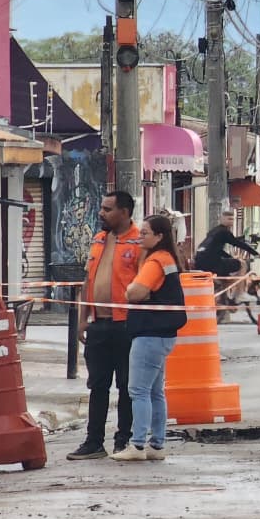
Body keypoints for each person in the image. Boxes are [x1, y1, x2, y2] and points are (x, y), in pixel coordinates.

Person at [68, 191, 143, 460]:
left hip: (126, 326)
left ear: (124, 212)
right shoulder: (99, 239)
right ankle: (94, 441)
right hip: (98, 325)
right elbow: (89, 281)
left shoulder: (138, 243)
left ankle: (123, 439)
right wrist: (82, 320)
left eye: (108, 209)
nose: (101, 212)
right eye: (101, 207)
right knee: (97, 385)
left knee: (126, 386)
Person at [112, 214, 188, 461]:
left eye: (144, 233)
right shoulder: (168, 259)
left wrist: (136, 291)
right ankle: (156, 444)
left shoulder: (156, 261)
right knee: (155, 392)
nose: (139, 236)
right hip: (163, 335)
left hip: (149, 335)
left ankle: (137, 445)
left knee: (139, 391)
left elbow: (133, 293)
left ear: (159, 236)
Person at [194, 210, 260, 278]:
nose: (231, 221)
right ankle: (238, 287)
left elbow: (218, 251)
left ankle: (223, 285)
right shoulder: (224, 232)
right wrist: (256, 254)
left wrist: (230, 257)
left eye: (232, 219)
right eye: (229, 219)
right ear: (222, 219)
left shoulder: (213, 231)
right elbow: (238, 243)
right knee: (242, 264)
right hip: (212, 264)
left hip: (199, 263)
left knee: (226, 266)